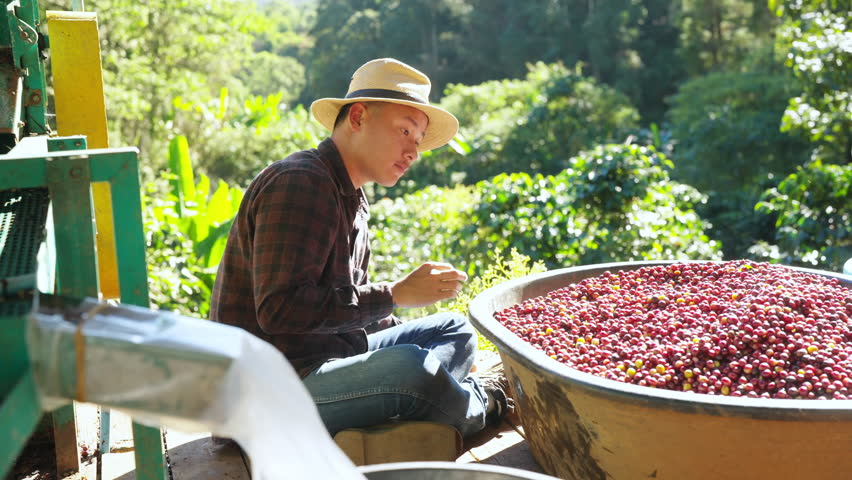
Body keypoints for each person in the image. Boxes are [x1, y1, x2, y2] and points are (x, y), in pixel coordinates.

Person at [210, 58, 511, 440]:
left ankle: (415, 404)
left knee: (454, 331)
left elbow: (352, 312)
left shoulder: (353, 198)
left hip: (329, 361)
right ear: (357, 117)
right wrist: (395, 294)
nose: (413, 151)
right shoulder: (300, 182)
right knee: (413, 369)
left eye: (418, 141)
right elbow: (279, 310)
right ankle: (478, 404)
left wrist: (393, 318)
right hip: (266, 393)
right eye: (404, 130)